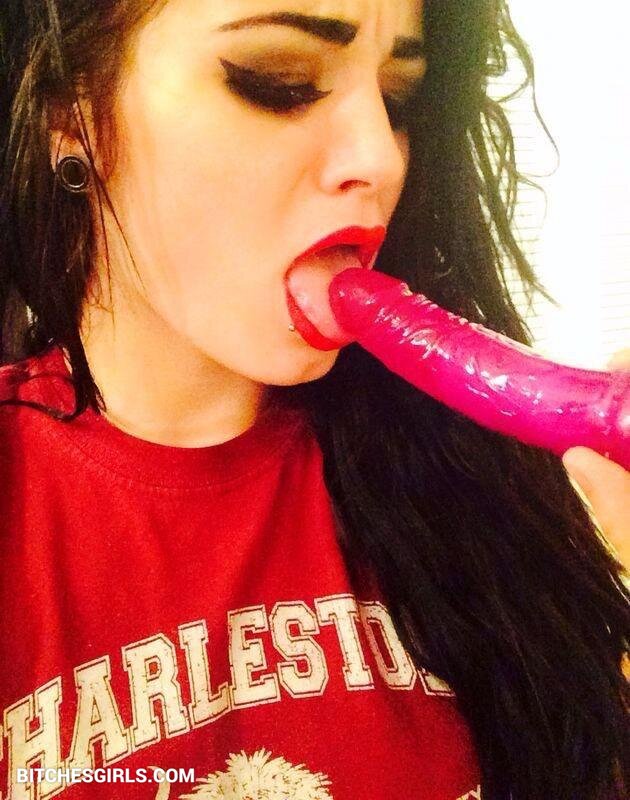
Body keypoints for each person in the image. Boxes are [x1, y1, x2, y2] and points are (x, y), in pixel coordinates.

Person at [0, 1, 628, 799]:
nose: (380, 157)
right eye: (278, 82)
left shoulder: (486, 474)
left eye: (398, 101)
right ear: (72, 112)